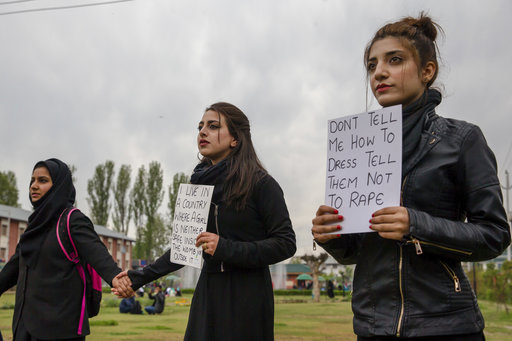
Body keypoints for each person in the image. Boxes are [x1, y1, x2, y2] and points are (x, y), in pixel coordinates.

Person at [311, 14, 511, 340]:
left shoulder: (462, 140)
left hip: (445, 326)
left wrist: (416, 225)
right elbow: (359, 252)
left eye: (395, 60)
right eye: (372, 65)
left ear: (427, 71)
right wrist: (332, 235)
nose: (379, 72)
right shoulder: (358, 146)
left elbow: (494, 235)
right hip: (372, 326)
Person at [114, 102, 296, 340]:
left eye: (213, 126)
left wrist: (226, 248)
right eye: (200, 126)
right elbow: (183, 249)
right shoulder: (197, 188)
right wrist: (137, 277)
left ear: (235, 139)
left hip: (248, 297)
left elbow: (285, 243)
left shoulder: (262, 184)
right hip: (208, 294)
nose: (202, 132)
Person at [0, 158, 133, 340]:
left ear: (59, 185)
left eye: (43, 180)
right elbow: (13, 269)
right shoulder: (33, 227)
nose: (34, 186)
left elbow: (97, 252)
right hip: (24, 329)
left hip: (60, 330)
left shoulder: (71, 220)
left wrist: (116, 277)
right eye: (32, 180)